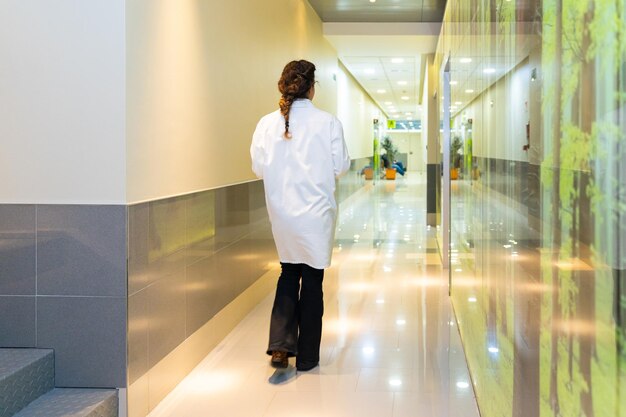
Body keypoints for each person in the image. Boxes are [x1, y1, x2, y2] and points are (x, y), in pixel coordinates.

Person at [250, 60, 350, 372]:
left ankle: (280, 345)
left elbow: (258, 167)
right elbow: (340, 166)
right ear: (311, 88)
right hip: (316, 214)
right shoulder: (328, 122)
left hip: (282, 213)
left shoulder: (267, 123)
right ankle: (307, 357)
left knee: (288, 273)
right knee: (313, 280)